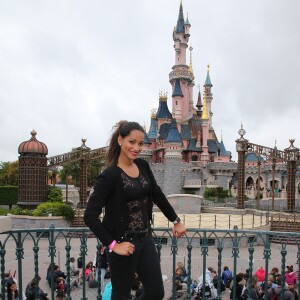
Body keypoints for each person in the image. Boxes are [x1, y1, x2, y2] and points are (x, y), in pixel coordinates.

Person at [84, 121, 186, 300]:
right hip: (123, 242)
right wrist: (113, 245)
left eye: (140, 143)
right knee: (121, 295)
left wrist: (176, 221)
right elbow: (90, 216)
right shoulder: (109, 175)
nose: (137, 148)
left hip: (145, 238)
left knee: (156, 293)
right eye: (132, 142)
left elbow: (157, 195)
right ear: (120, 140)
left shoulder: (143, 166)